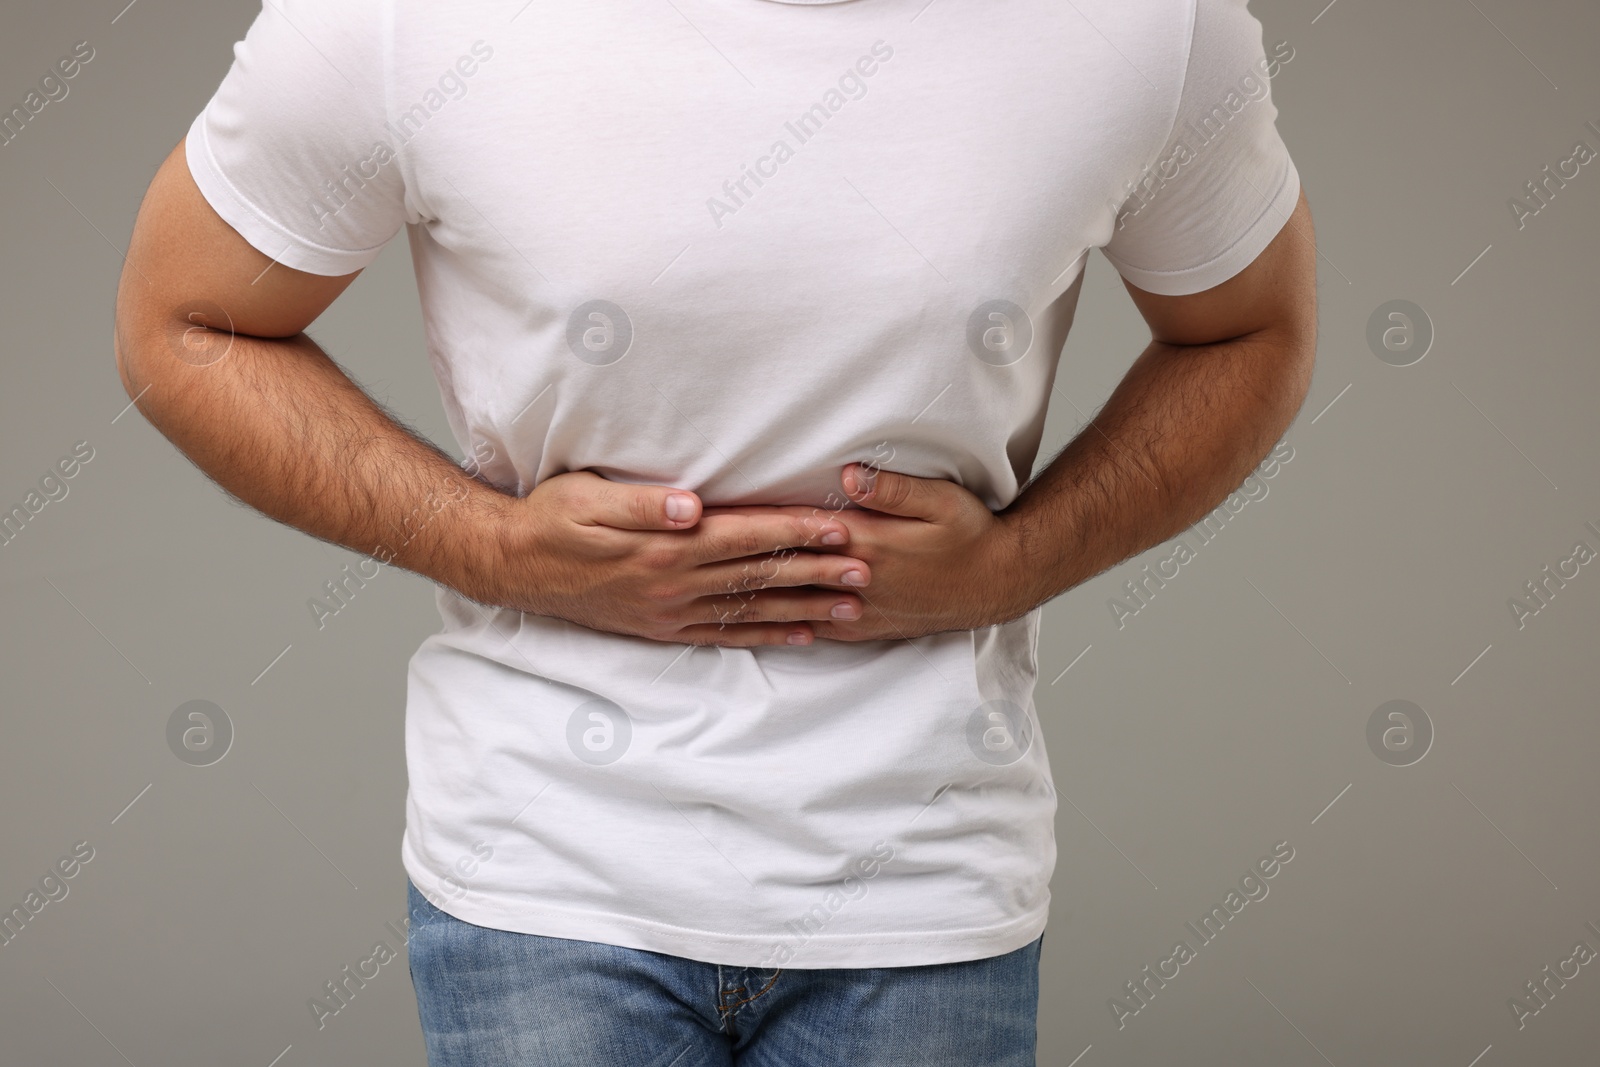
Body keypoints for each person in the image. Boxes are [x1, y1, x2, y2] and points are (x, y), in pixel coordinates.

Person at [114, 0, 1316, 1062]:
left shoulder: (1146, 26)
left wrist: (1014, 563)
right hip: (548, 877)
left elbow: (1252, 330)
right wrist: (499, 549)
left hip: (923, 885)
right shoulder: (406, 18)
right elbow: (182, 324)